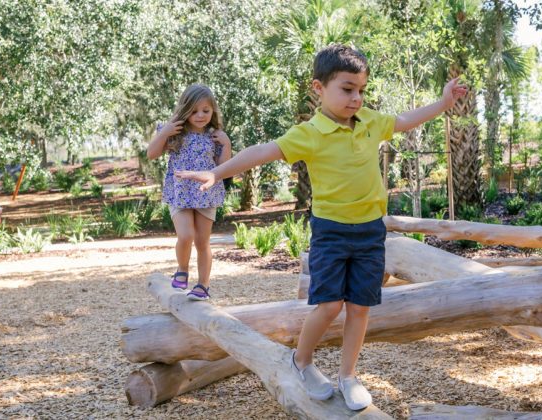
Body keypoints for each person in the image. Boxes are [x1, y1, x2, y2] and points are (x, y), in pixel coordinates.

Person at [176, 45, 467, 409]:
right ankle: (302, 360)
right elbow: (262, 151)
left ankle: (348, 376)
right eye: (347, 89)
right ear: (319, 88)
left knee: (360, 307)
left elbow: (407, 119)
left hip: (370, 232)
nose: (356, 98)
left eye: (361, 89)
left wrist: (442, 103)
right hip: (331, 231)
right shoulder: (309, 133)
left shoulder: (372, 122)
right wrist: (217, 172)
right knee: (329, 305)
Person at [147, 83, 231, 301]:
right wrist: (164, 133)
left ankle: (203, 286)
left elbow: (224, 167)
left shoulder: (214, 136)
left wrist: (227, 144)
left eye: (206, 110)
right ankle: (182, 269)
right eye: (194, 111)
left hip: (206, 193)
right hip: (180, 192)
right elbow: (152, 154)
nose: (200, 115)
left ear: (213, 111)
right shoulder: (175, 131)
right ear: (185, 109)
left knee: (203, 242)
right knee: (186, 236)